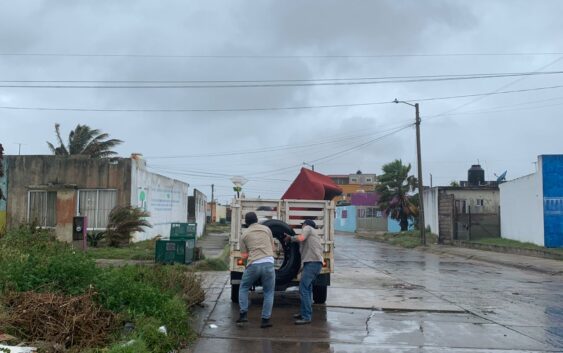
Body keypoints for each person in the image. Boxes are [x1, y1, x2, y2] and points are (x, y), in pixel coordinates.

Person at [236, 211, 276, 328]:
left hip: (253, 264)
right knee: (268, 292)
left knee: (243, 288)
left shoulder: (244, 235)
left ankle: (243, 315)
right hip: (268, 263)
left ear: (246, 222)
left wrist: (246, 265)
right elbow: (272, 247)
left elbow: (244, 255)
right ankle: (265, 320)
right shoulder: (266, 229)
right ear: (257, 220)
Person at [284, 219, 323, 325]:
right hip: (313, 264)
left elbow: (301, 237)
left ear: (306, 225)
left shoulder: (308, 228)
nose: (302, 227)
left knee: (303, 289)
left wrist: (290, 238)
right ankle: (304, 313)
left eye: (303, 225)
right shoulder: (314, 236)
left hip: (312, 263)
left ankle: (306, 317)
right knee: (307, 290)